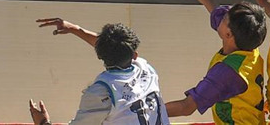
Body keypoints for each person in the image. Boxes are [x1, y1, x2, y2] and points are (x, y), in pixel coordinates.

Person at [144, 0, 268, 125]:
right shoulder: (246, 42)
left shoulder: (228, 72)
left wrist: (139, 113)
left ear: (228, 35)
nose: (221, 14)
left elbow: (186, 107)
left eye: (225, 18)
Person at [29, 20, 169, 125]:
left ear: (99, 55)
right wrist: (75, 29)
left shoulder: (102, 91)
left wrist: (43, 122)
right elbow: (116, 47)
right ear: (134, 55)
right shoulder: (146, 68)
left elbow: (110, 47)